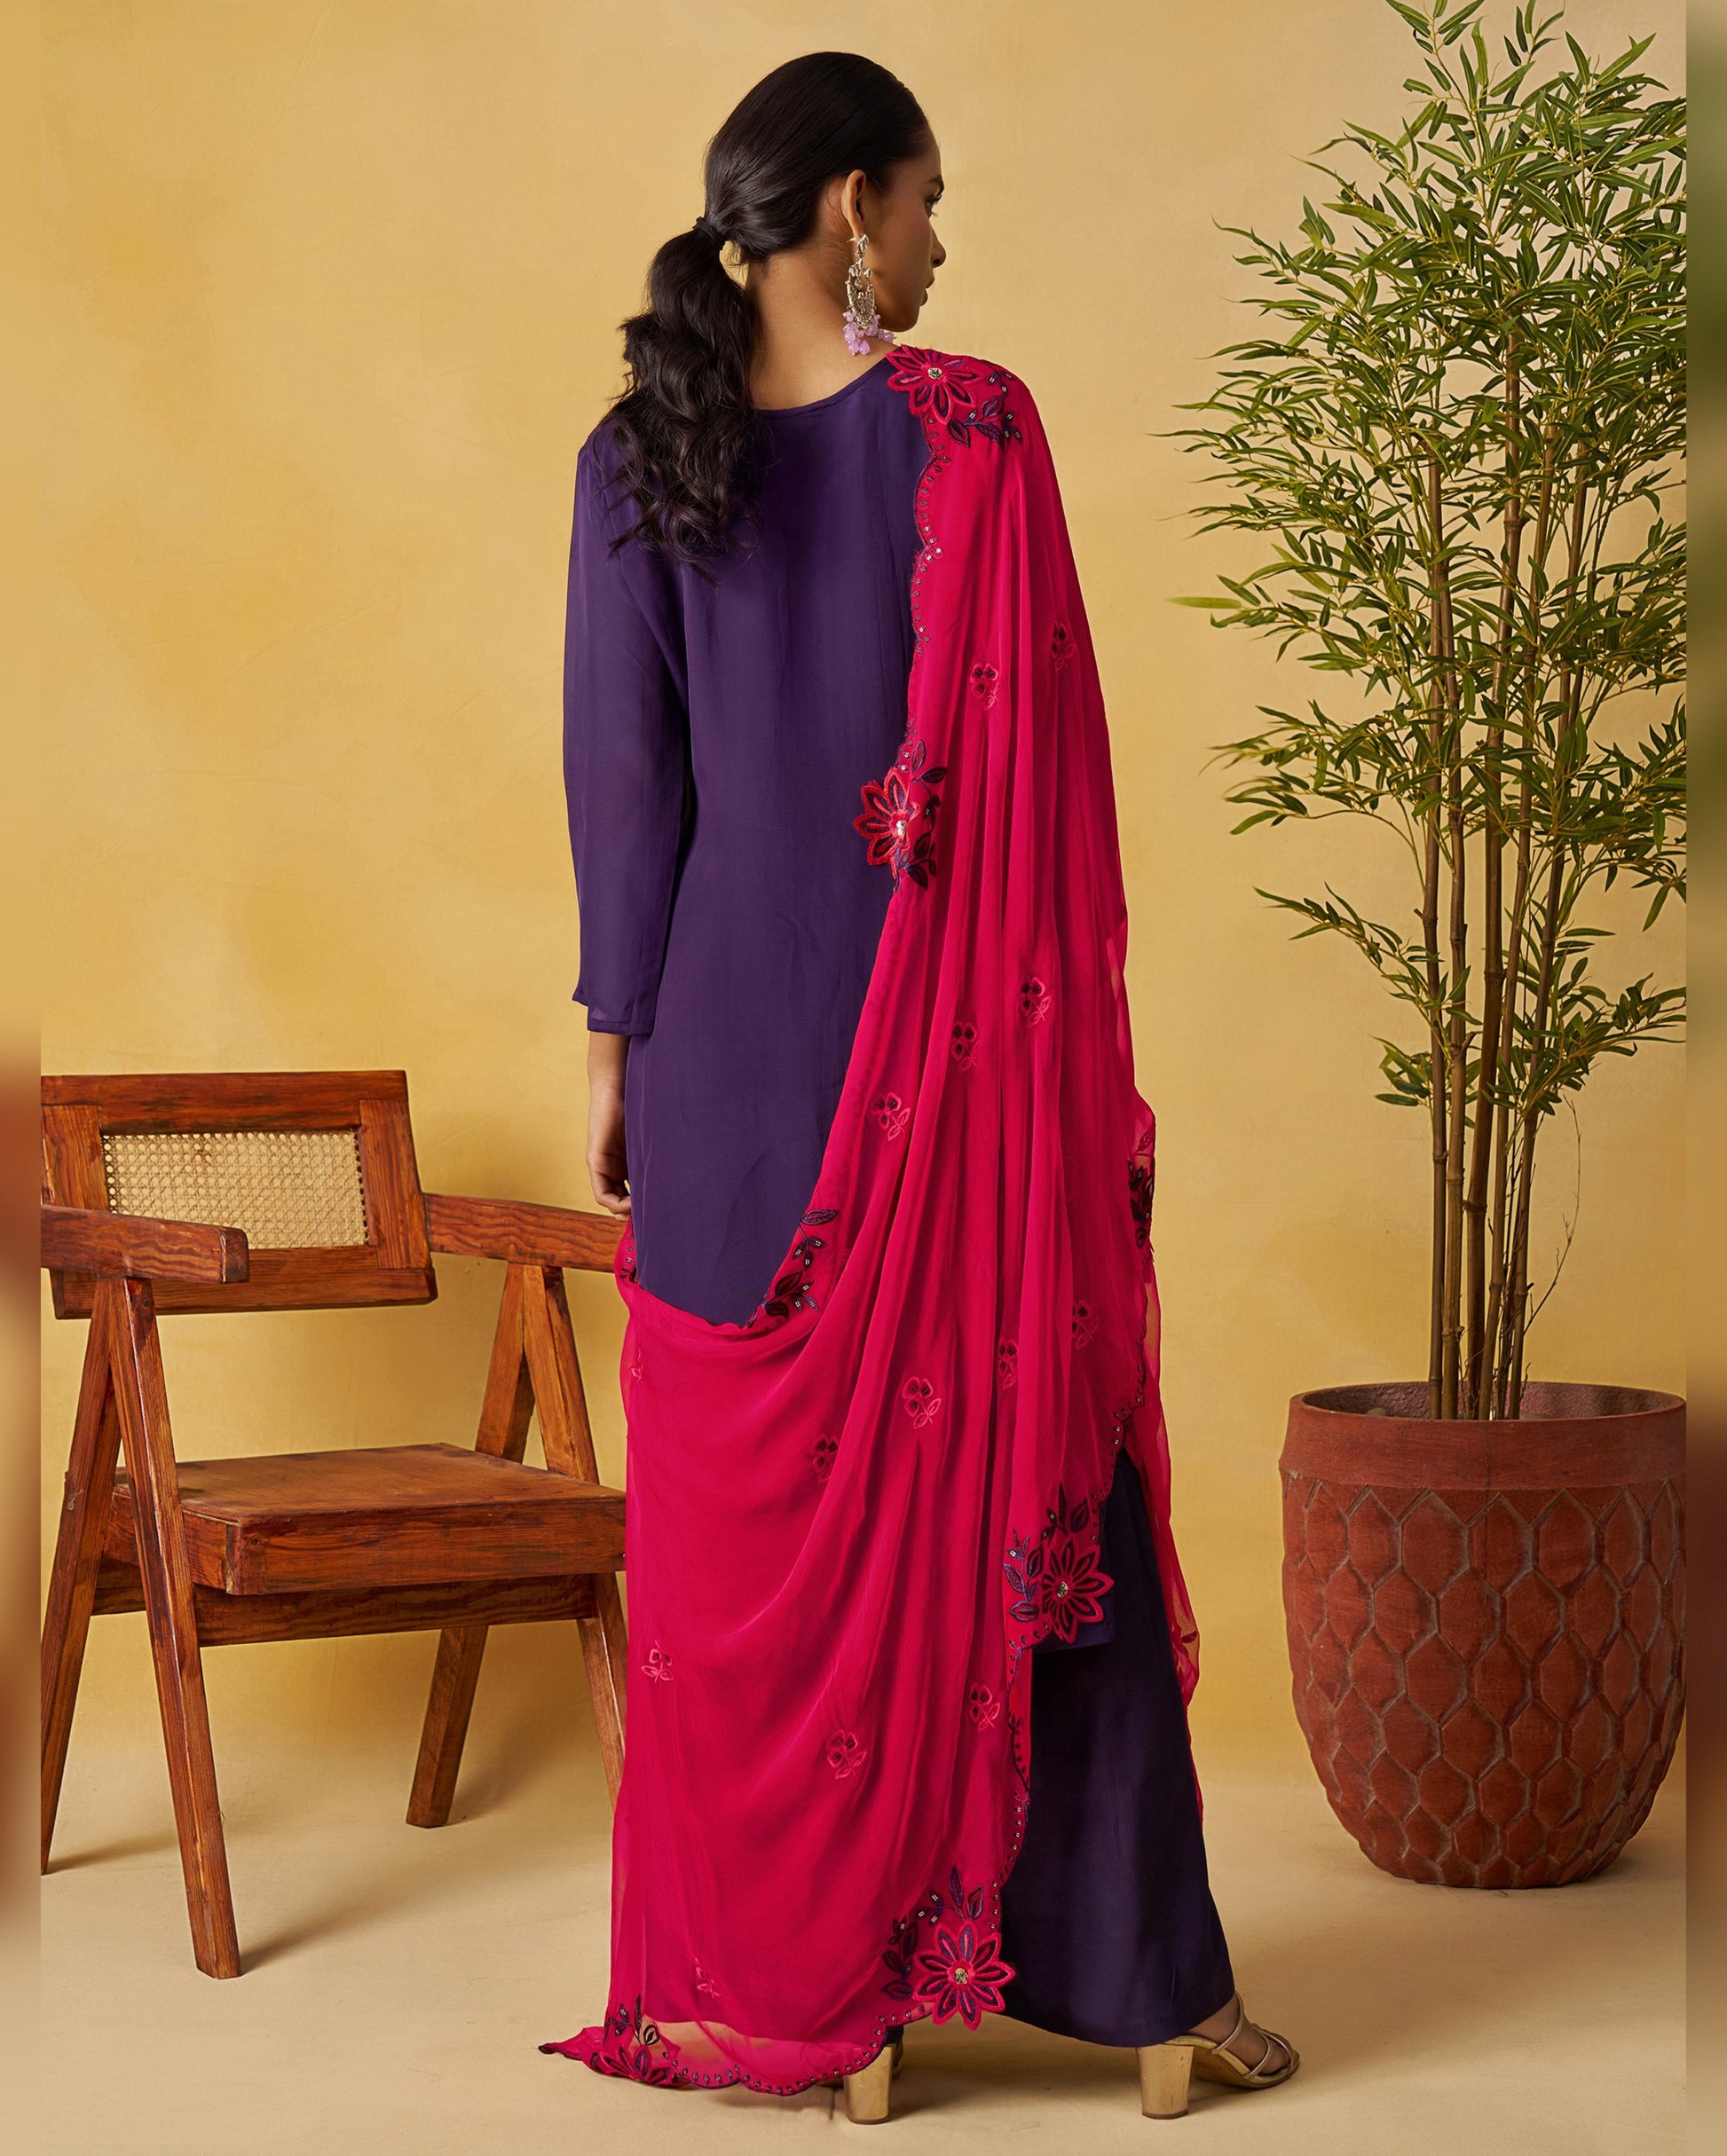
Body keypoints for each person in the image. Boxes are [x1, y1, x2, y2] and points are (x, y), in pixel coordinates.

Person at [540, 50, 1299, 2123]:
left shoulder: (636, 460)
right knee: (1051, 1497)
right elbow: (1053, 788)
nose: (944, 244)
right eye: (928, 202)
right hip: (968, 1076)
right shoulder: (978, 435)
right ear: (851, 208)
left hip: (723, 1076)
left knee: (748, 1567)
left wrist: (615, 1057)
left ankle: (832, 2017)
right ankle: (1156, 2011)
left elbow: (633, 805)